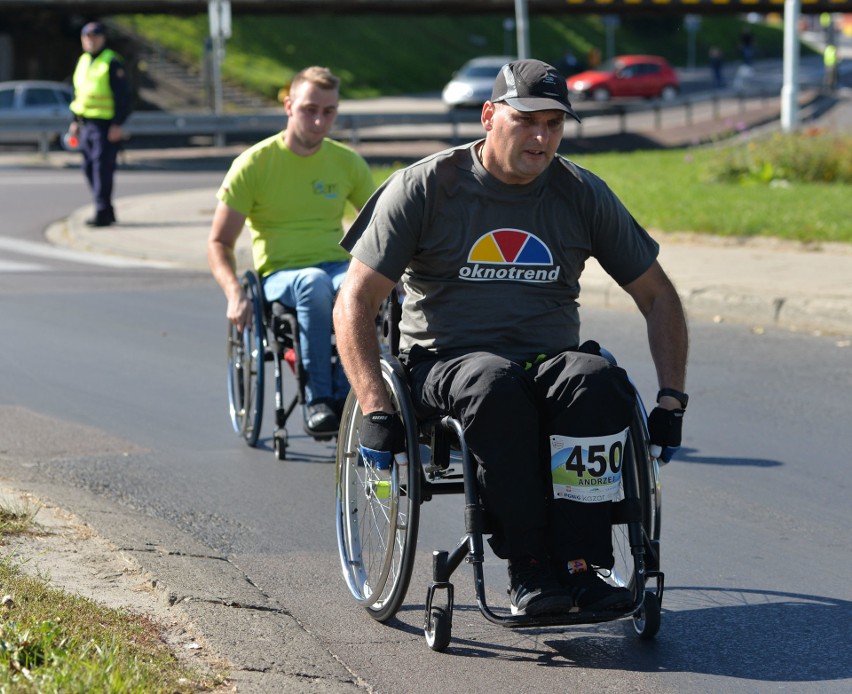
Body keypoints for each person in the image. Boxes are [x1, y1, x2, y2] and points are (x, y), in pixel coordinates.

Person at [334, 59, 688, 617]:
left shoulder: (580, 193)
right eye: (527, 120)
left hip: (547, 362)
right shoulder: (427, 187)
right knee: (492, 383)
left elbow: (658, 295)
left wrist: (671, 397)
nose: (542, 136)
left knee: (597, 382)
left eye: (554, 123)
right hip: (448, 363)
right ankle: (527, 566)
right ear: (488, 116)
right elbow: (355, 299)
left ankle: (581, 565)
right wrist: (376, 407)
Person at [208, 66, 375, 437]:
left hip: (334, 265)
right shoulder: (254, 165)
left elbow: (380, 228)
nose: (319, 120)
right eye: (309, 109)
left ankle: (350, 390)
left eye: (329, 111)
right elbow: (219, 242)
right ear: (289, 106)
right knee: (313, 282)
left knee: (363, 282)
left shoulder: (346, 162)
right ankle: (319, 399)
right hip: (280, 275)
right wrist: (234, 294)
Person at [68, 21, 132, 227]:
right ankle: (107, 210)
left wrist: (117, 124)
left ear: (103, 38)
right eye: (86, 36)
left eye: (94, 36)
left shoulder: (111, 61)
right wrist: (75, 122)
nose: (90, 40)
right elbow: (80, 95)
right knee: (88, 167)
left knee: (101, 170)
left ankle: (102, 213)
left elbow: (124, 97)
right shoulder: (84, 61)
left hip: (105, 126)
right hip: (86, 125)